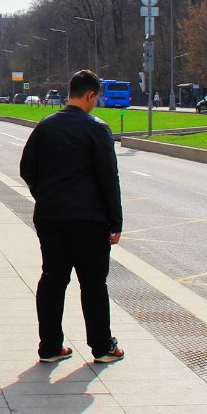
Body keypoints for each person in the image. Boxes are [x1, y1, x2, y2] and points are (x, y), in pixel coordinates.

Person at [19, 69, 124, 365]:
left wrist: (45, 195)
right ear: (90, 95)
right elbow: (108, 178)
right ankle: (102, 347)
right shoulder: (96, 128)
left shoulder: (46, 125)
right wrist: (115, 222)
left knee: (53, 279)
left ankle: (50, 347)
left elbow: (27, 168)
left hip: (50, 217)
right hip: (88, 219)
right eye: (96, 98)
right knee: (93, 283)